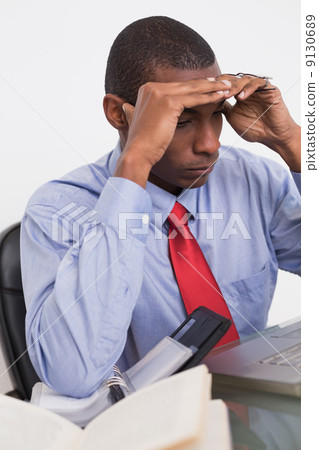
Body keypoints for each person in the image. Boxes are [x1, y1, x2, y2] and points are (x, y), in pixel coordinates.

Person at [20, 16, 300, 398]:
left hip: (258, 420)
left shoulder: (254, 178)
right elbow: (72, 375)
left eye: (216, 115)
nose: (210, 145)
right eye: (182, 121)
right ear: (119, 114)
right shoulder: (58, 209)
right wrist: (135, 162)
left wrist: (294, 144)